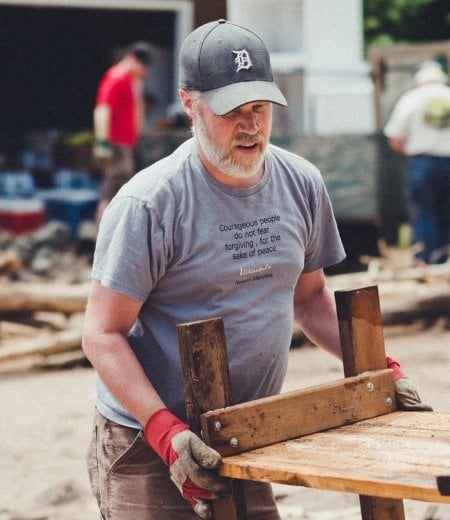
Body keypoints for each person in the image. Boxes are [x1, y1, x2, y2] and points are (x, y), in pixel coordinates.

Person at [81, 20, 428, 519]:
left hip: (248, 431)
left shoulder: (301, 184)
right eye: (231, 111)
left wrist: (385, 370)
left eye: (260, 109)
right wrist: (164, 431)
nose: (250, 126)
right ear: (189, 104)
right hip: (147, 440)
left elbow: (309, 300)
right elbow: (101, 332)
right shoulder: (150, 204)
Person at [383, 60, 450, 267]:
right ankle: (442, 257)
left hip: (422, 162)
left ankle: (423, 258)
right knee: (445, 210)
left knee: (423, 209)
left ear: (418, 81)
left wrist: (410, 152)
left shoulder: (411, 100)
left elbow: (394, 138)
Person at [94, 41, 153, 218]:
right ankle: (103, 239)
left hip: (127, 144)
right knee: (113, 193)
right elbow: (102, 110)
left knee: (120, 192)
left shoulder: (131, 80)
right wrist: (102, 143)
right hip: (116, 144)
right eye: (144, 66)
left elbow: (136, 110)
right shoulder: (116, 77)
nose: (146, 71)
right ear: (132, 58)